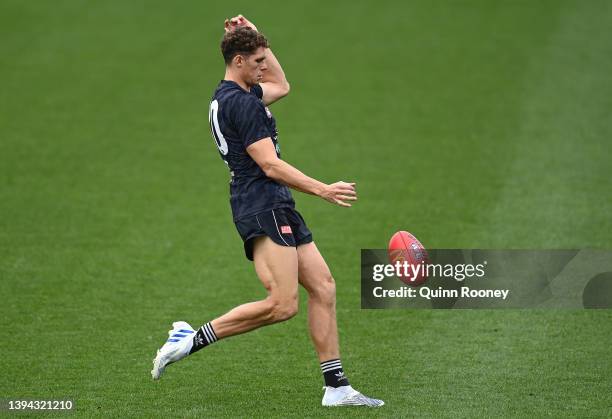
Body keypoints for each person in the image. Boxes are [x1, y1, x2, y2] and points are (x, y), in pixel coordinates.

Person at [151, 15, 384, 408]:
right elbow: (270, 164)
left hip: (273, 202)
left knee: (324, 288)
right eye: (257, 59)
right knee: (282, 303)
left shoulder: (230, 95)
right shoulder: (243, 105)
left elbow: (283, 85)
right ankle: (189, 339)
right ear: (238, 61)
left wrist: (253, 32)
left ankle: (337, 387)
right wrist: (322, 189)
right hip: (261, 204)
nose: (265, 66)